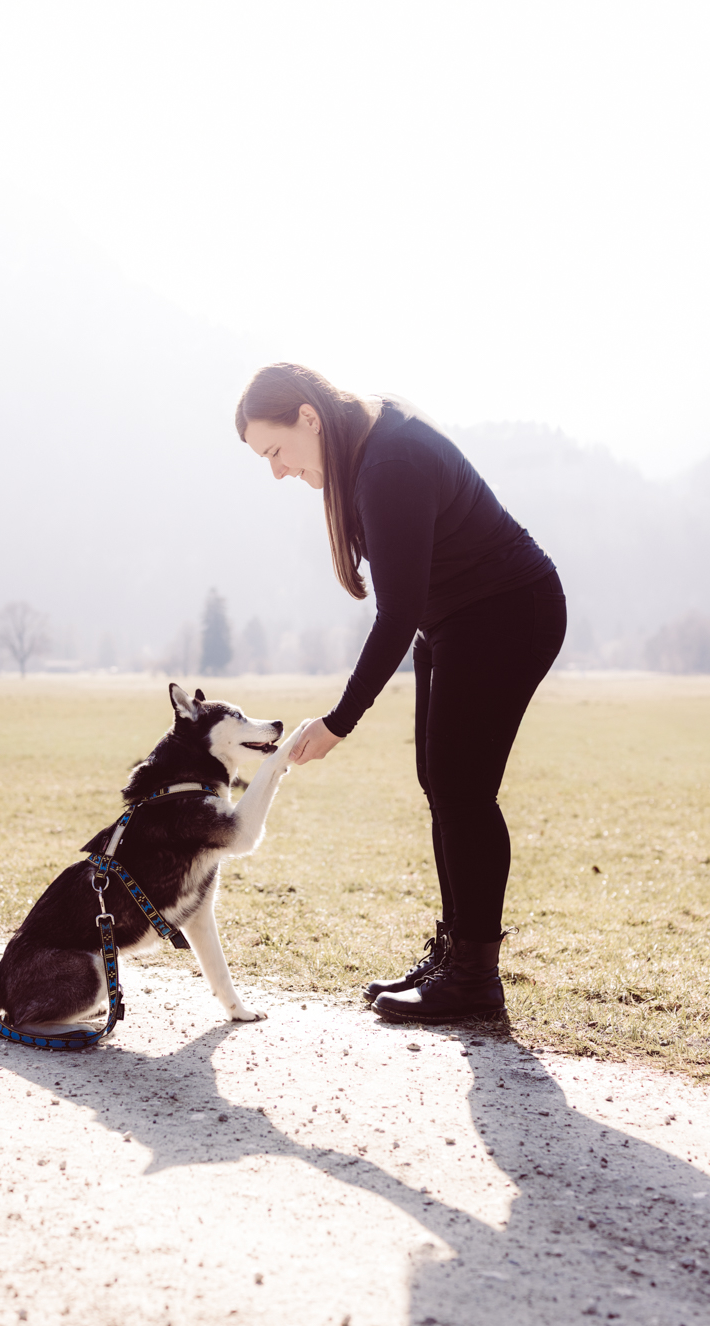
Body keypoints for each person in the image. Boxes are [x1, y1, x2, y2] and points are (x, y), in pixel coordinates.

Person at [236, 363, 566, 1024]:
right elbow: (412, 603)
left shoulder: (390, 463)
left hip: (505, 611)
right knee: (441, 783)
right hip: (454, 620)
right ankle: (456, 961)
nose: (277, 473)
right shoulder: (366, 437)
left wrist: (340, 721)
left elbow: (396, 610)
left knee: (463, 791)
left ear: (307, 416)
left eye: (275, 452)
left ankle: (474, 981)